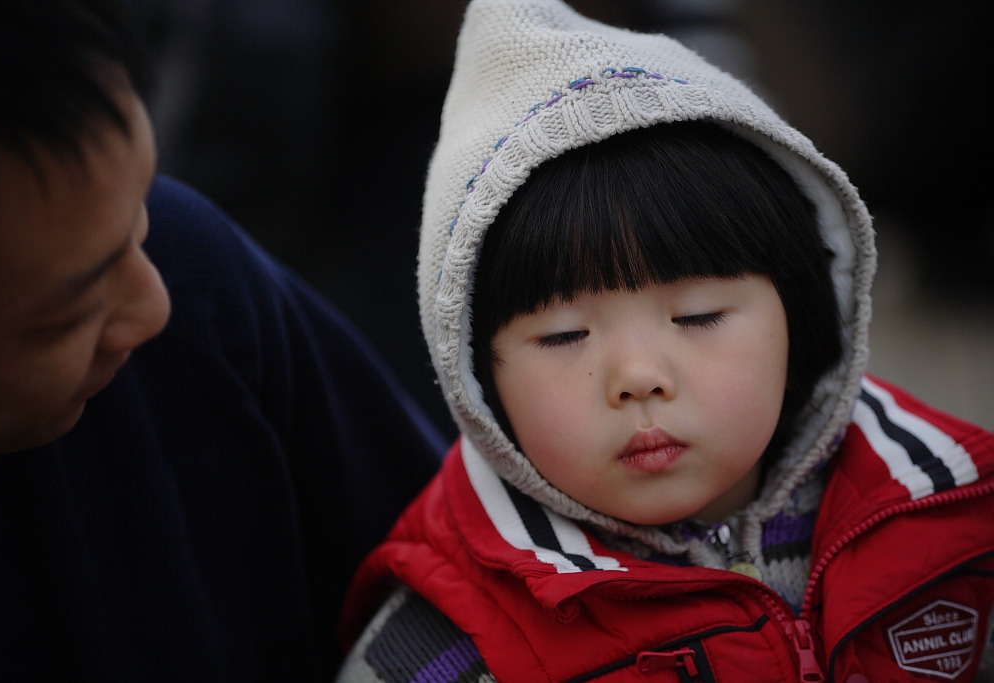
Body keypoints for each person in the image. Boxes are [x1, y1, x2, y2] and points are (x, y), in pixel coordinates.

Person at [335, 0, 994, 681]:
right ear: (477, 375)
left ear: (803, 310)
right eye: (564, 335)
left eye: (699, 316)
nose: (639, 375)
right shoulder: (452, 636)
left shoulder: (951, 512)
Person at [0, 0, 443, 679]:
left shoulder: (196, 286)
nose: (151, 306)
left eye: (138, 212)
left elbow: (473, 576)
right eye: (65, 316)